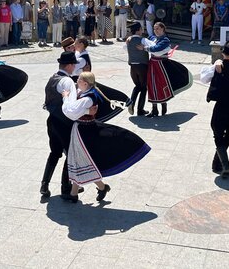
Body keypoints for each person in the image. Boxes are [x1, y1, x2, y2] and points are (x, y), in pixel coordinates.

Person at [61, 72, 151, 203]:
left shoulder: (89, 98)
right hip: (80, 129)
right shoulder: (84, 91)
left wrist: (65, 97)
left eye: (79, 79)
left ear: (85, 83)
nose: (77, 81)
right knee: (80, 160)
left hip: (85, 131)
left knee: (82, 160)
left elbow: (70, 111)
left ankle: (81, 191)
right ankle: (84, 191)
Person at [199, 40, 229, 178]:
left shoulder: (217, 67)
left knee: (217, 132)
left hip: (221, 106)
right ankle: (218, 163)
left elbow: (203, 79)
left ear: (223, 53)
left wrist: (216, 64)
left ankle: (223, 163)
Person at [40, 51, 82, 199]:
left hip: (52, 121)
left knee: (55, 152)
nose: (75, 68)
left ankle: (44, 185)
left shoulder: (52, 78)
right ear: (69, 65)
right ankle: (66, 188)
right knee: (70, 154)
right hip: (65, 122)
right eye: (74, 65)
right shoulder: (67, 81)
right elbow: (70, 107)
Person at [139, 22, 192, 117]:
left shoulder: (165, 40)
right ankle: (154, 109)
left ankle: (164, 104)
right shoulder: (152, 37)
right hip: (152, 64)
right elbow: (143, 41)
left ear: (163, 29)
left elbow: (156, 48)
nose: (156, 31)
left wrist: (145, 48)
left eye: (158, 29)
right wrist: (131, 38)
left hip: (161, 65)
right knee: (151, 85)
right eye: (154, 29)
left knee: (161, 85)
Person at [125, 22, 149, 116]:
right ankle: (140, 110)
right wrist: (145, 48)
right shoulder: (143, 40)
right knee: (143, 88)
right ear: (139, 30)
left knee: (137, 86)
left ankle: (131, 103)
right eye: (141, 29)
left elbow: (124, 48)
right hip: (142, 66)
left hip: (133, 67)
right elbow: (153, 46)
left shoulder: (129, 40)